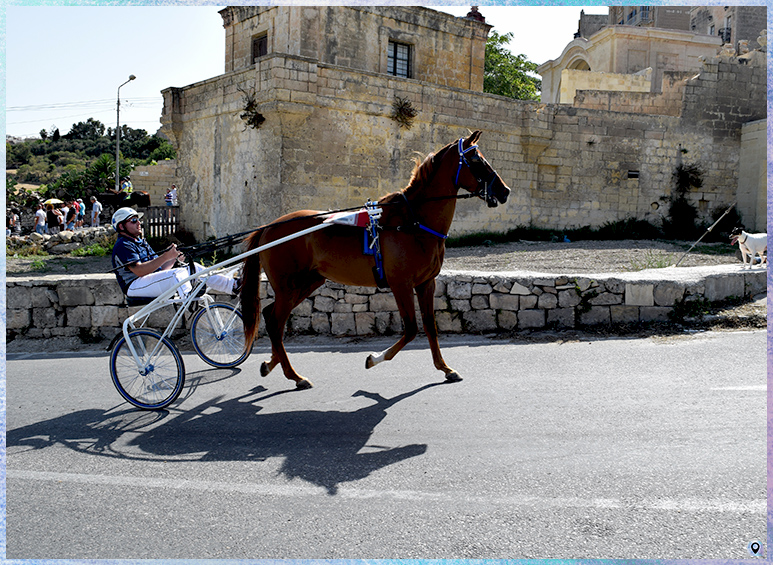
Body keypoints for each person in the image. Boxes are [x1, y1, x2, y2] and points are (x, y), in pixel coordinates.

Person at [110, 207, 239, 300]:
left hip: (146, 282)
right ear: (121, 227)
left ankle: (232, 285)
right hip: (134, 286)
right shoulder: (123, 245)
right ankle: (188, 297)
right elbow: (139, 271)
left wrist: (172, 259)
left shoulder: (140, 241)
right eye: (133, 220)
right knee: (178, 273)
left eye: (138, 219)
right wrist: (165, 256)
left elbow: (160, 269)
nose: (139, 223)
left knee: (192, 267)